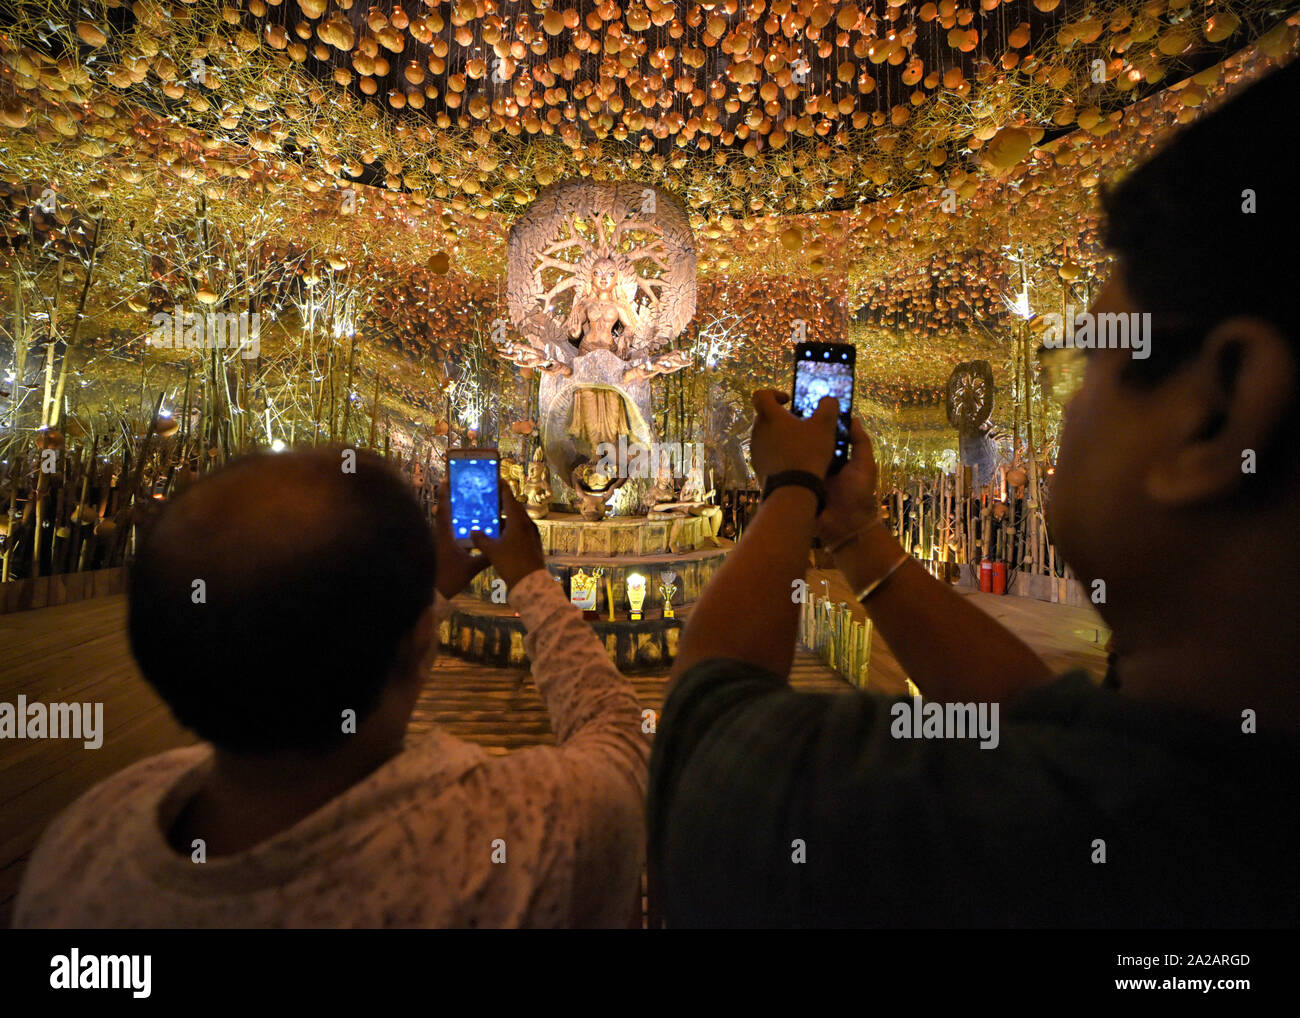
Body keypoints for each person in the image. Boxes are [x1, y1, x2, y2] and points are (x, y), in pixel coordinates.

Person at [647, 57, 1300, 928]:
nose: (1069, 411)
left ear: (1219, 408)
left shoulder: (1042, 836)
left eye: (1086, 359)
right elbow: (1033, 721)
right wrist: (857, 532)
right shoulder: (1201, 758)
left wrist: (792, 485)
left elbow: (701, 756)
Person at [14, 448, 648, 928]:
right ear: (421, 643)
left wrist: (423, 599)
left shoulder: (82, 850)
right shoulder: (518, 835)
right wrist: (529, 577)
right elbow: (618, 742)